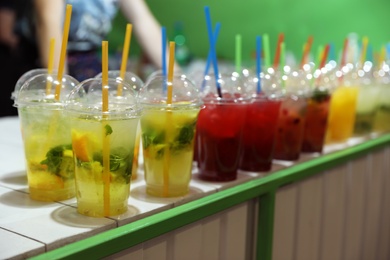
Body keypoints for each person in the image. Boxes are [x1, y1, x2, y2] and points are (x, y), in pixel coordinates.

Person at [0, 0, 165, 116]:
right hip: (45, 66)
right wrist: (60, 88)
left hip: (87, 66)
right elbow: (48, 22)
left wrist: (175, 76)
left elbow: (144, 23)